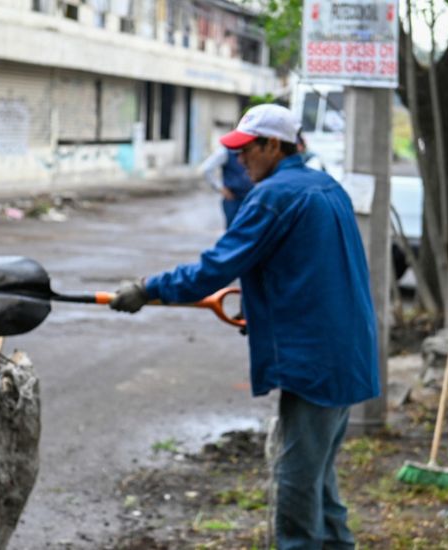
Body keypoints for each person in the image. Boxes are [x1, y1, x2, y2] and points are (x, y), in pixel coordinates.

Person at [109, 103, 379, 548]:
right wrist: (265, 315)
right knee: (319, 479)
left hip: (316, 360)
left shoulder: (275, 195)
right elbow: (310, 272)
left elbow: (216, 268)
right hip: (346, 352)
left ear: (273, 145)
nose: (239, 160)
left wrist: (147, 288)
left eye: (246, 150)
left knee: (295, 481)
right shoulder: (326, 186)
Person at [198, 143, 254, 227]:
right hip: (234, 198)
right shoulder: (226, 152)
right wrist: (220, 188)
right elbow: (207, 169)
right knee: (233, 229)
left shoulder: (253, 149)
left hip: (251, 197)